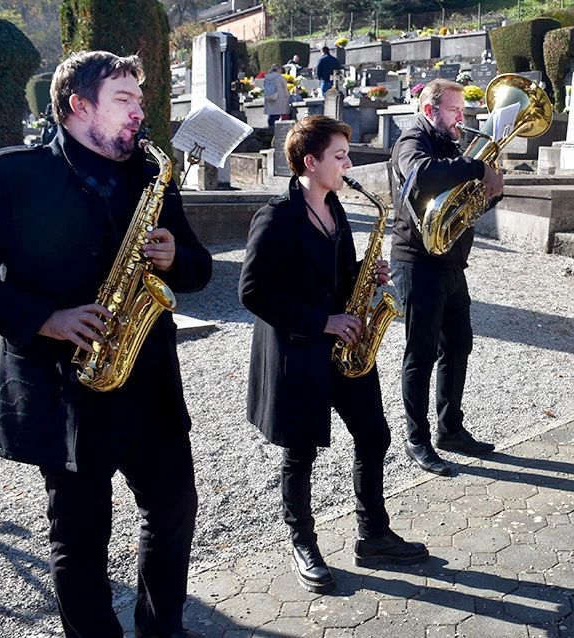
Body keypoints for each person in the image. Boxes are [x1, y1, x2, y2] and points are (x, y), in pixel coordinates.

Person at [0, 50, 212, 638]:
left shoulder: (152, 174)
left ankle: (162, 630)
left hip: (149, 382)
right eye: (123, 101)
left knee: (174, 512)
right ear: (79, 106)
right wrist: (45, 318)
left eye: (139, 99)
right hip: (66, 390)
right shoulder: (12, 177)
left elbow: (199, 270)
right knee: (80, 539)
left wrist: (178, 257)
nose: (139, 113)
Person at [238, 115, 428, 595]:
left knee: (374, 436)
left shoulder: (336, 208)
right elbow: (253, 292)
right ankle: (303, 542)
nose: (348, 165)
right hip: (299, 352)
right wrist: (321, 321)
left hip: (345, 348)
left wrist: (368, 272)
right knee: (299, 453)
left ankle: (373, 534)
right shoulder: (276, 217)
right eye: (340, 157)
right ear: (310, 161)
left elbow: (336, 275)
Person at [389, 78, 504, 477]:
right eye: (456, 111)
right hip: (416, 262)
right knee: (419, 353)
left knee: (458, 346)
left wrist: (492, 189)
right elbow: (420, 175)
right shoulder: (411, 141)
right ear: (429, 111)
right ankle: (416, 439)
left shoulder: (452, 145)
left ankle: (449, 428)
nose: (462, 118)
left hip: (452, 262)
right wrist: (477, 166)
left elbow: (467, 204)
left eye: (463, 111)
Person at [263, 63, 291, 128]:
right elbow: (285, 88)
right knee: (277, 114)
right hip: (279, 98)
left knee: (271, 114)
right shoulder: (280, 77)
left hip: (269, 97)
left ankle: (270, 127)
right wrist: (287, 96)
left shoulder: (266, 77)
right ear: (278, 69)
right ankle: (274, 129)